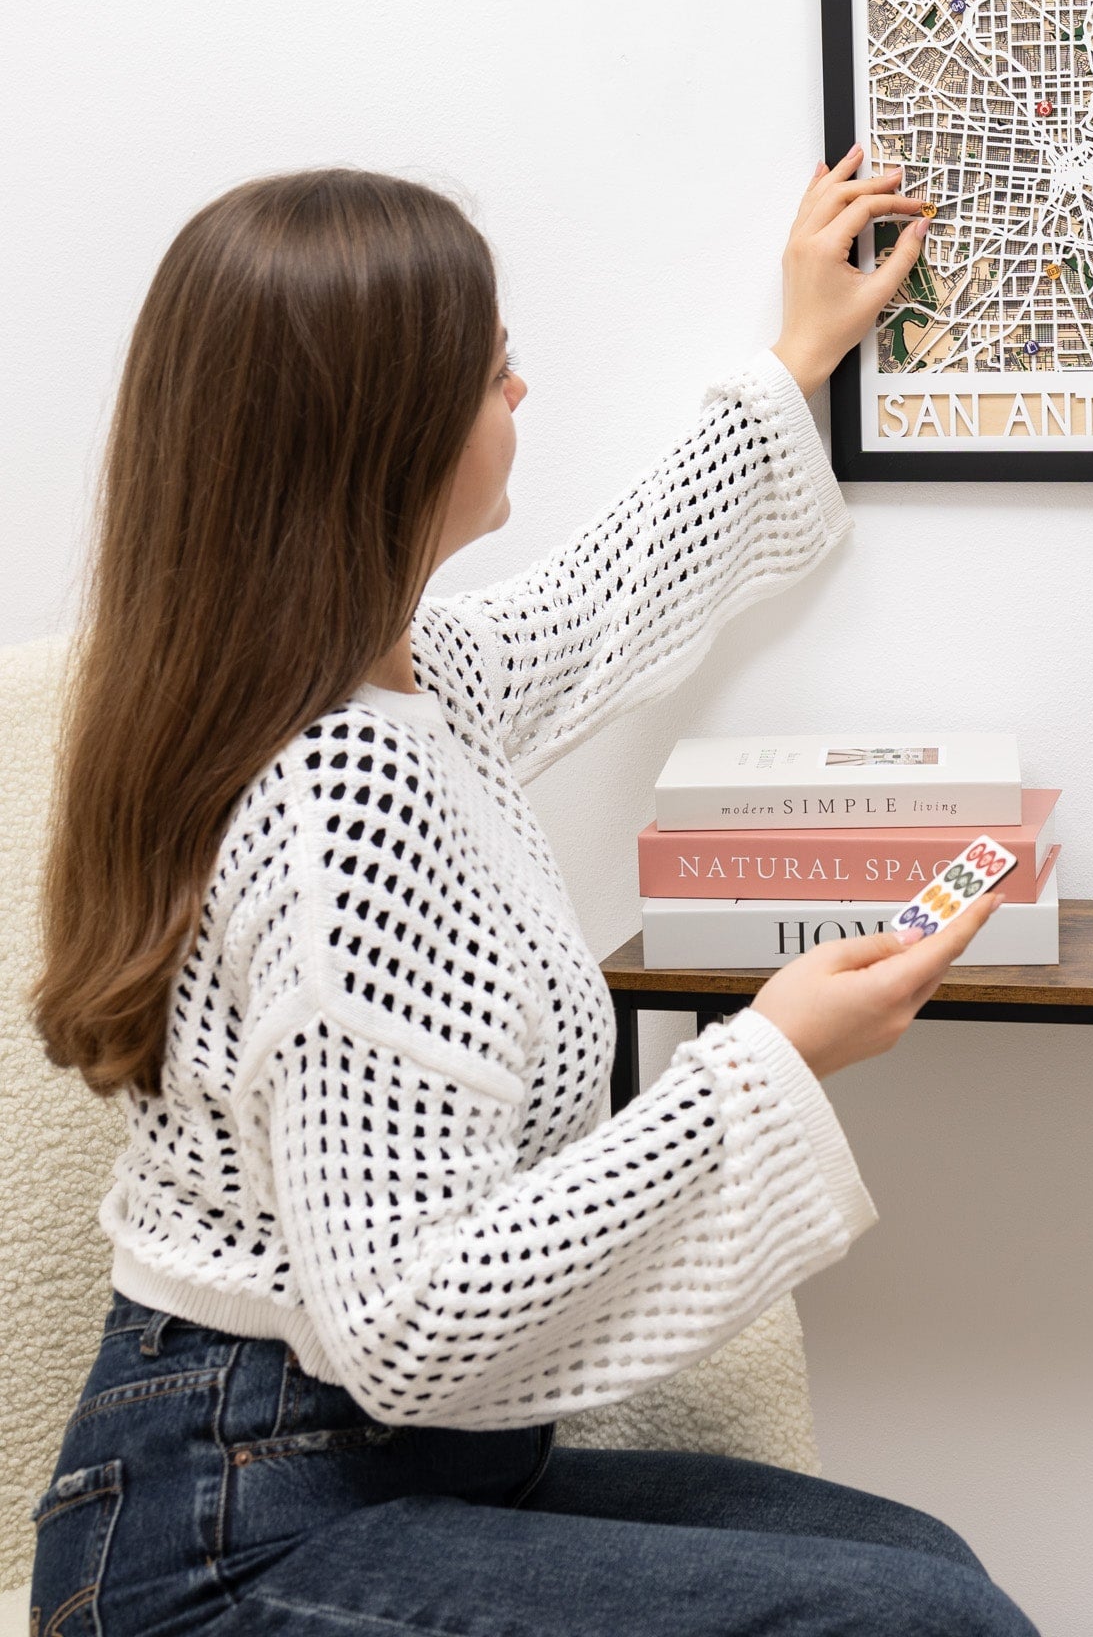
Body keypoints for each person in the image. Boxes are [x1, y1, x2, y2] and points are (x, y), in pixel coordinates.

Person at [30, 161, 1037, 1637]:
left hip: (366, 1467)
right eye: (488, 369)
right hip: (231, 1533)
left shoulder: (390, 685)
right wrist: (770, 1056)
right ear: (379, 435)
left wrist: (797, 355)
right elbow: (405, 1325)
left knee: (927, 1568)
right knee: (927, 1625)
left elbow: (601, 602)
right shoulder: (341, 804)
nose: (520, 389)